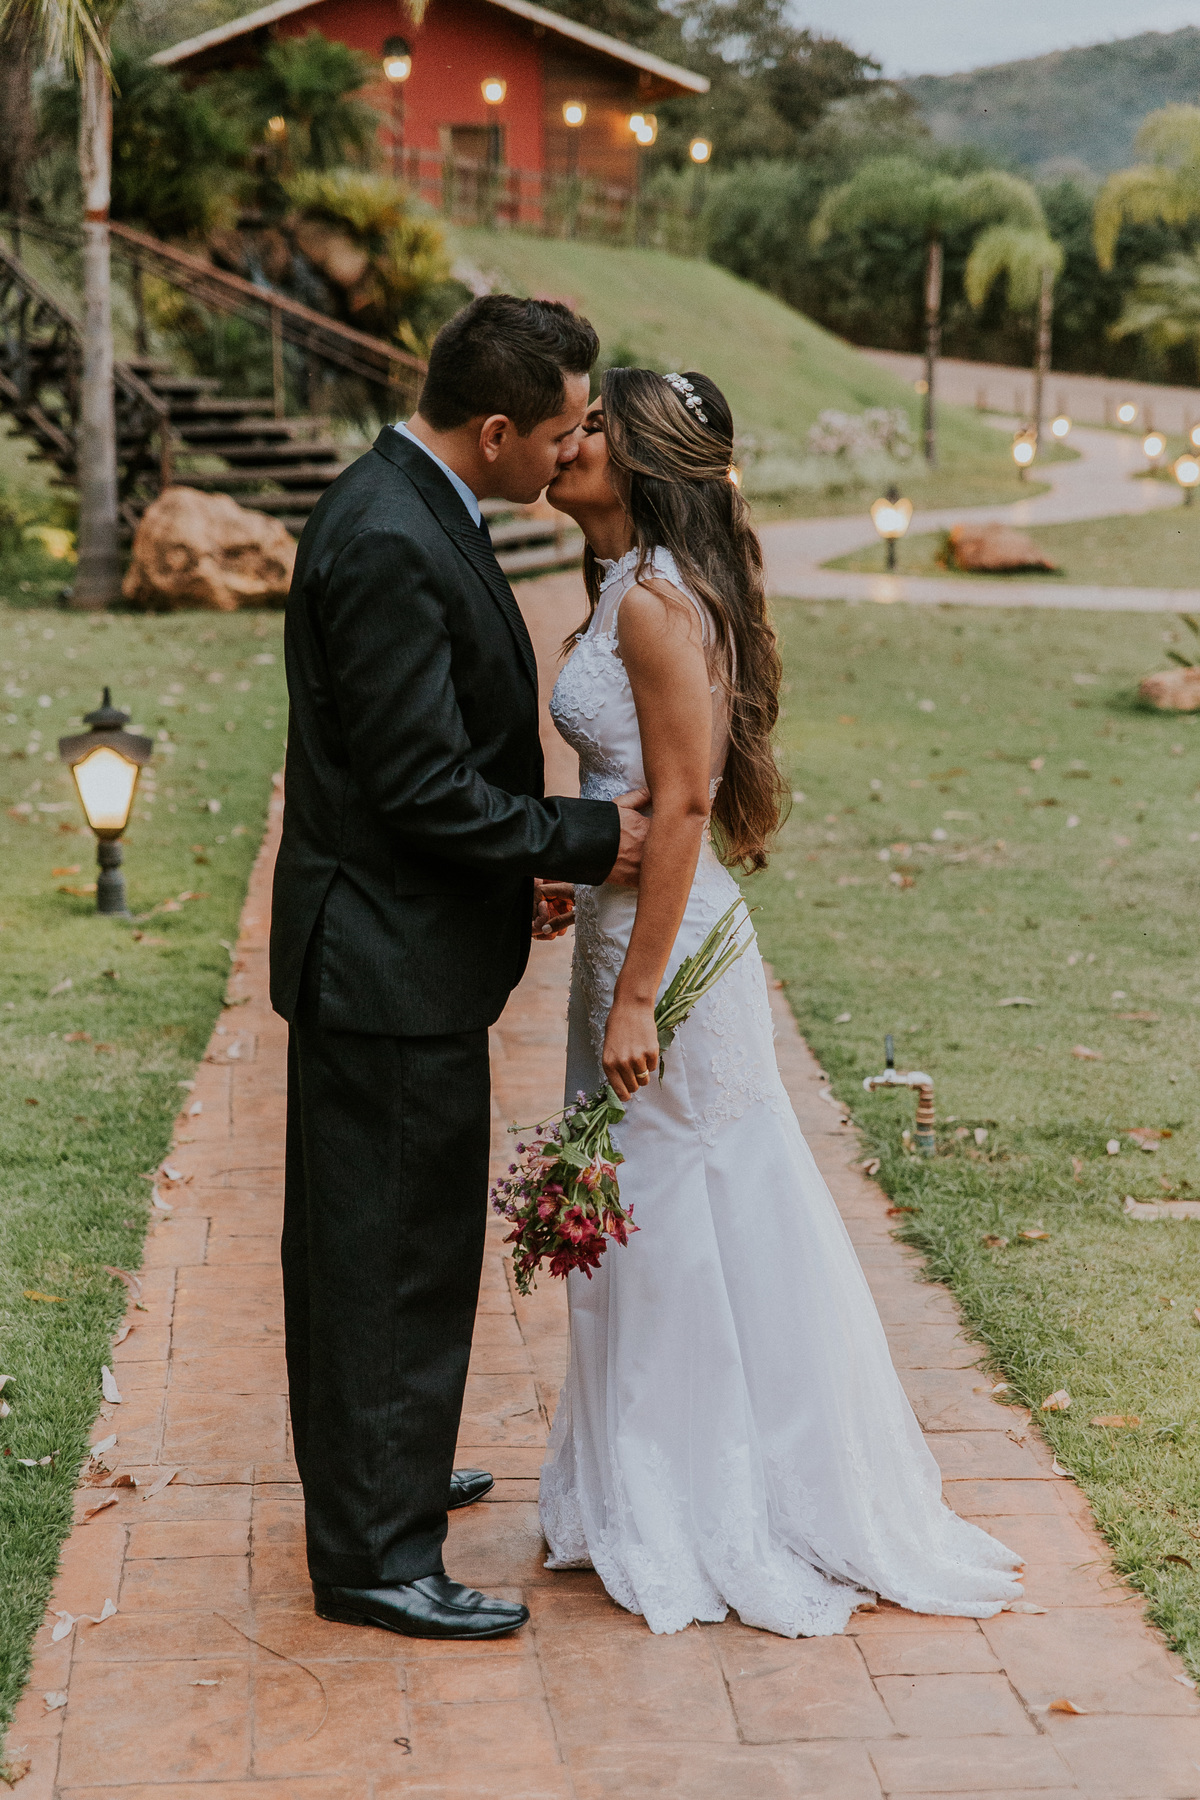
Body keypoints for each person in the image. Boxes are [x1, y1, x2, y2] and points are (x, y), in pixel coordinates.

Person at [538, 367, 1024, 1637]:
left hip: (673, 957)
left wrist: (638, 993)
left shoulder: (652, 603)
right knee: (639, 1201)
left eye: (592, 425)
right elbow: (640, 793)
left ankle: (712, 1499)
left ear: (638, 458)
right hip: (622, 926)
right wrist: (571, 865)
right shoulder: (619, 587)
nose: (569, 437)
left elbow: (687, 805)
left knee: (684, 1205)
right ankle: (643, 1479)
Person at [269, 297, 649, 1642]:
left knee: (385, 1239)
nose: (569, 453)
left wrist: (518, 864)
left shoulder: (417, 502)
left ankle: (389, 1473)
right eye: (558, 432)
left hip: (400, 942)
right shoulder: (384, 536)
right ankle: (377, 1554)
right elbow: (424, 785)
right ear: (494, 429)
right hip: (381, 962)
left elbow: (426, 770)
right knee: (390, 1256)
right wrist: (596, 837)